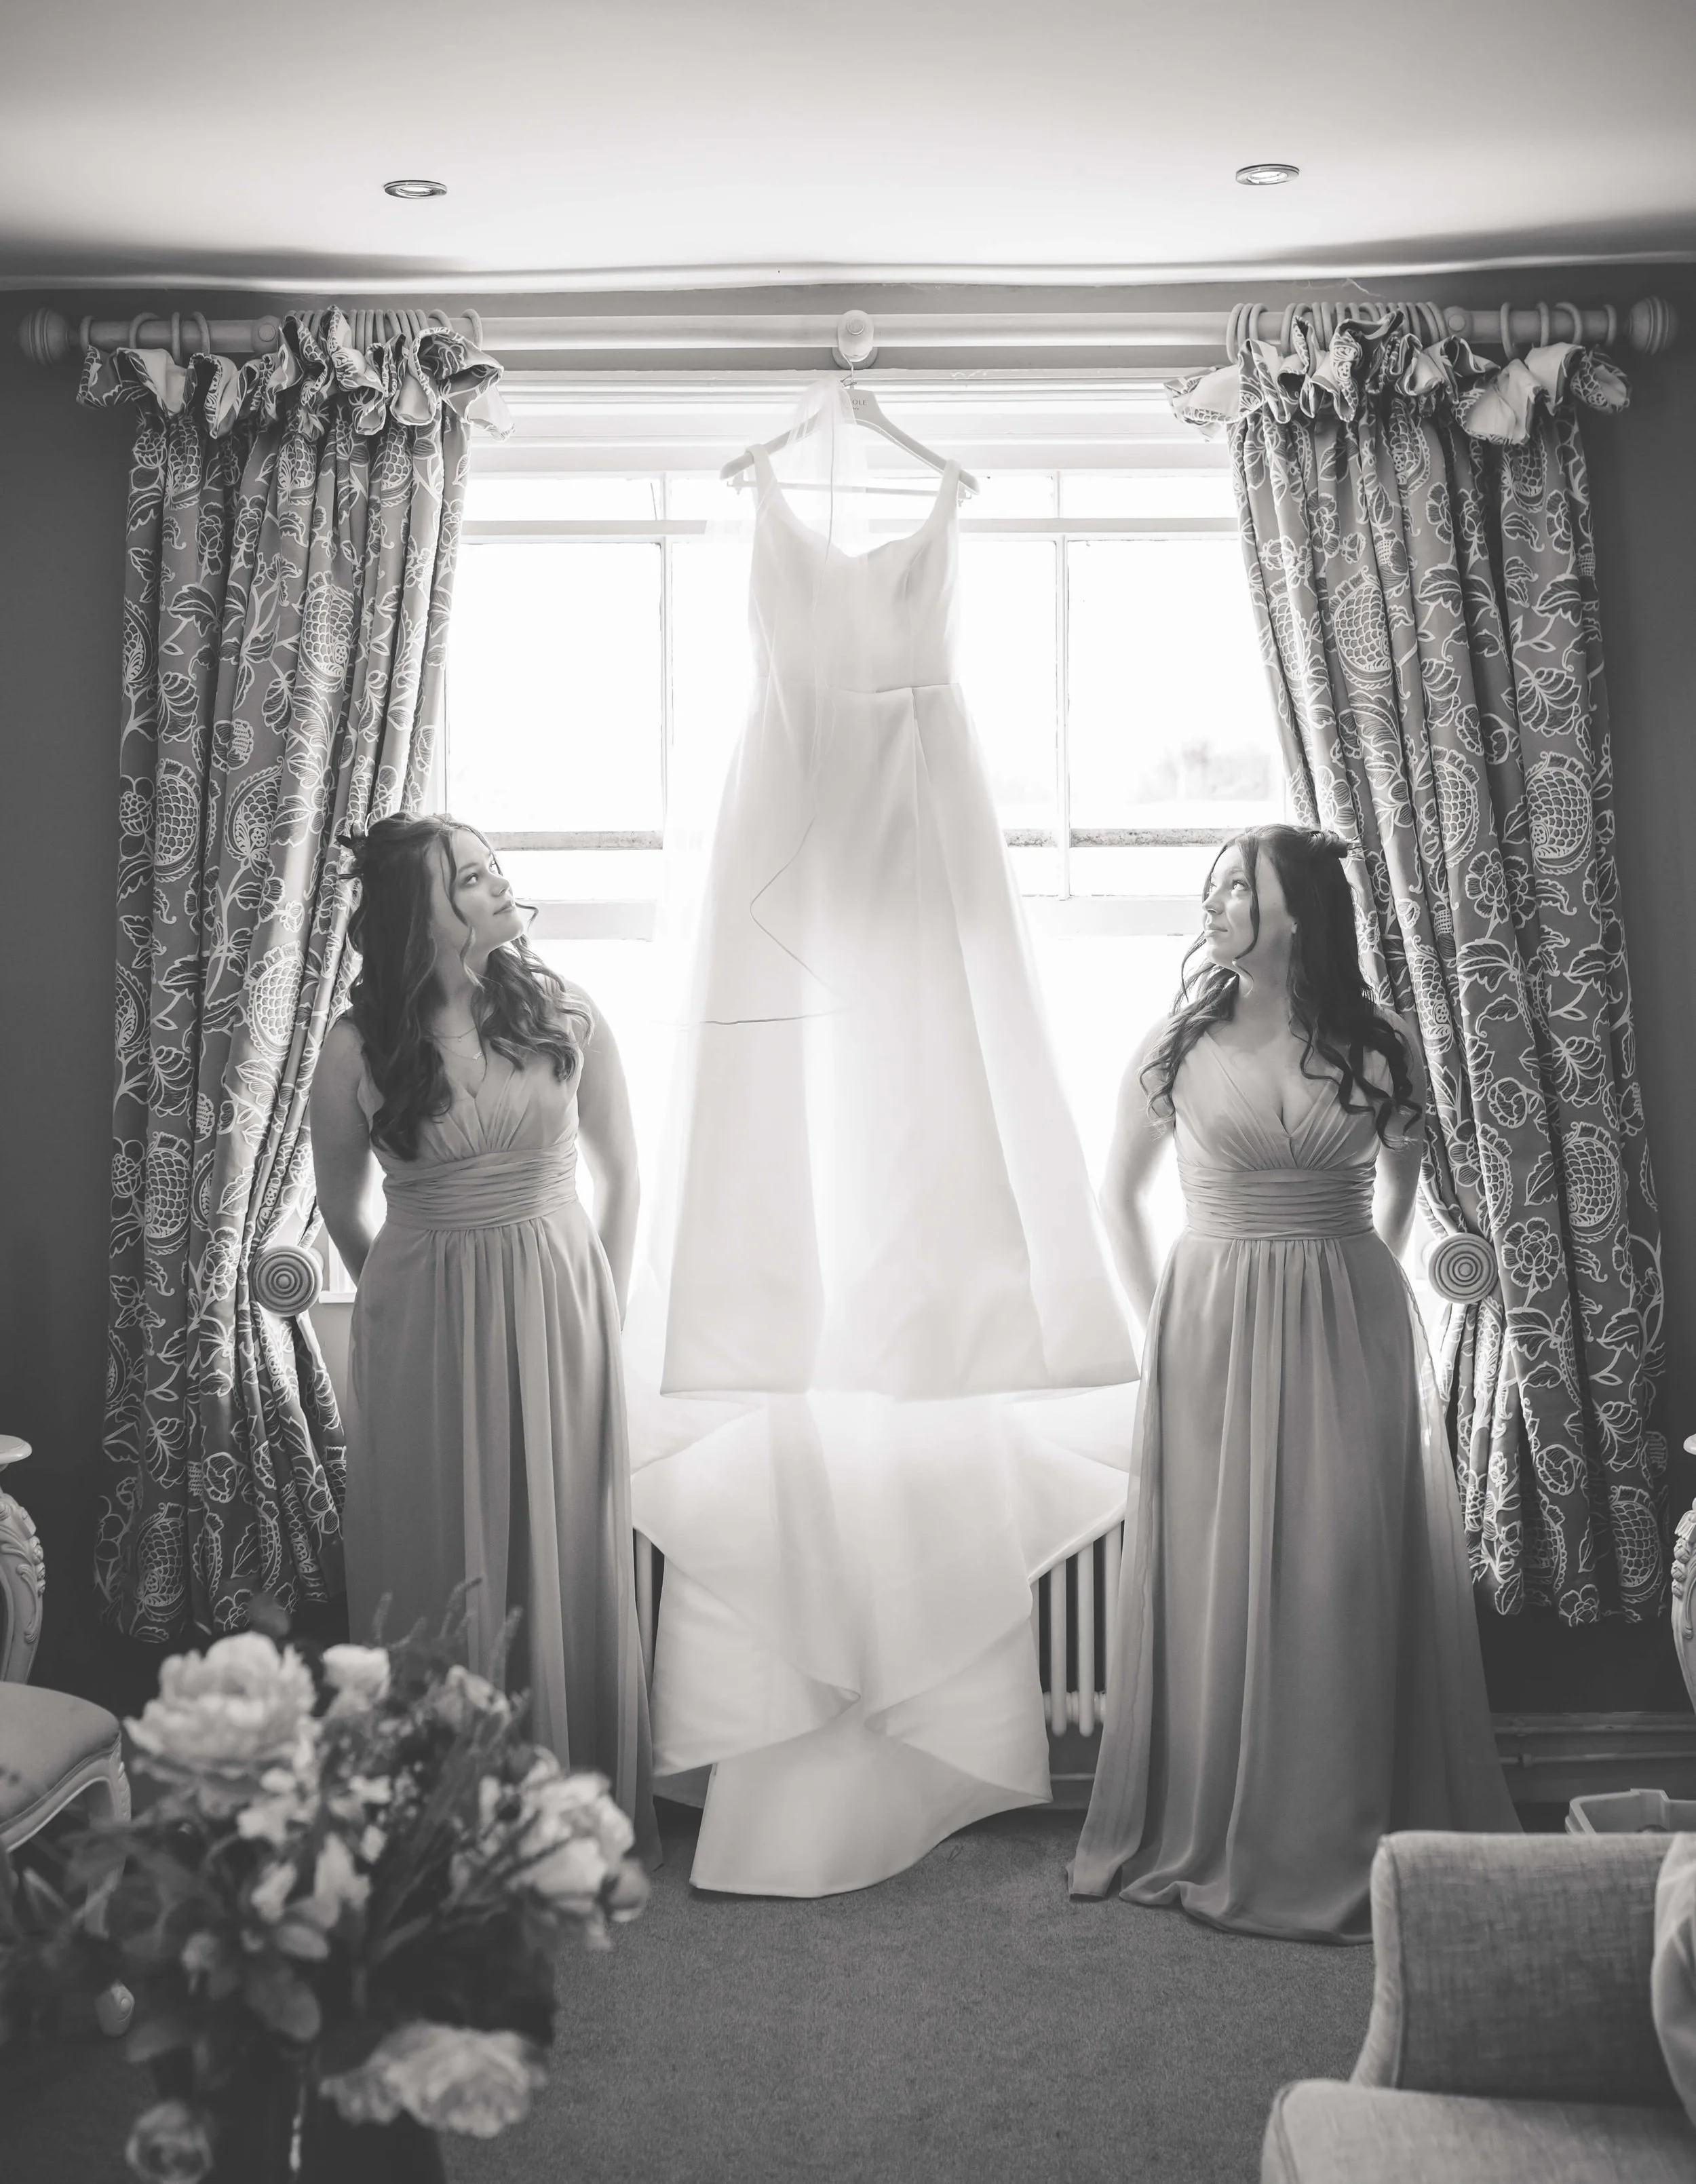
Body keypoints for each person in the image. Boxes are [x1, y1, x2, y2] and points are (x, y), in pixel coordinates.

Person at [1070, 823, 1516, 1941]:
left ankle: (1335, 1823)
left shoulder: (1380, 1042)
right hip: (1209, 1326)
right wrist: (1160, 1323)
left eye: (1239, 887)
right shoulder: (1177, 1046)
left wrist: (1361, 1272)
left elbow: (1403, 1180)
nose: (1215, 903)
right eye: (1214, 887)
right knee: (1222, 1572)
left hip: (1350, 1320)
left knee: (1339, 1565)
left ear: (1299, 912)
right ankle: (1228, 1822)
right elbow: (1115, 1197)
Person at [311, 813, 657, 1864]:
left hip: (562, 1307)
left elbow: (624, 1177)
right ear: (419, 913)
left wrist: (603, 1307)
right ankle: (443, 1824)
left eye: (494, 866)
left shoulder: (567, 1012)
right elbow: (343, 1209)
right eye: (469, 877)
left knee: (561, 1542)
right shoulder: (358, 1046)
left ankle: (567, 1812)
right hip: (421, 1316)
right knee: (432, 1552)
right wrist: (406, 1300)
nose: (499, 883)